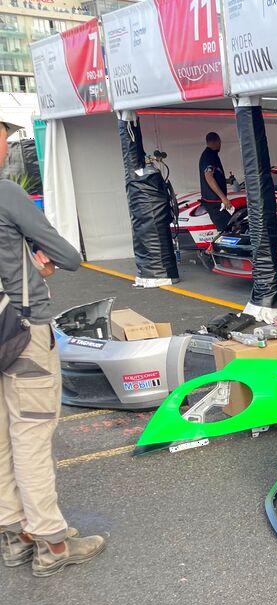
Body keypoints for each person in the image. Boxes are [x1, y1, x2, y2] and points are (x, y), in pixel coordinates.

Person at [0, 115, 106, 577]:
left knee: (1, 437)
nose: (6, 147)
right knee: (30, 435)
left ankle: (13, 532)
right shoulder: (6, 194)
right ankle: (51, 542)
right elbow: (69, 256)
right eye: (4, 139)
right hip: (21, 334)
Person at [199, 132, 234, 233]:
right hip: (214, 201)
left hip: (214, 200)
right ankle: (223, 248)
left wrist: (226, 181)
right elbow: (209, 177)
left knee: (228, 226)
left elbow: (214, 176)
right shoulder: (209, 156)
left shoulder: (211, 155)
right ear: (217, 141)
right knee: (226, 229)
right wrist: (223, 198)